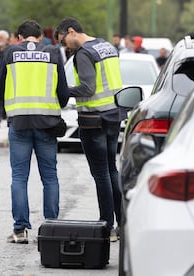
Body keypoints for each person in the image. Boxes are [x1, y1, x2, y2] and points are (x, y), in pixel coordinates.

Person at [0, 20, 70, 244]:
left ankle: (20, 231)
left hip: (19, 124)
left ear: (19, 38)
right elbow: (64, 96)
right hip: (47, 125)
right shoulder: (54, 53)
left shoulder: (10, 53)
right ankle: (51, 228)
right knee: (50, 177)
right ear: (39, 37)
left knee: (19, 177)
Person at [55, 17, 125, 242]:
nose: (65, 46)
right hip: (114, 115)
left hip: (93, 120)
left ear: (72, 31)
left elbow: (88, 87)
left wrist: (62, 90)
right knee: (112, 170)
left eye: (64, 40)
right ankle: (121, 224)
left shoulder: (84, 53)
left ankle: (105, 225)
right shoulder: (107, 46)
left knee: (101, 174)